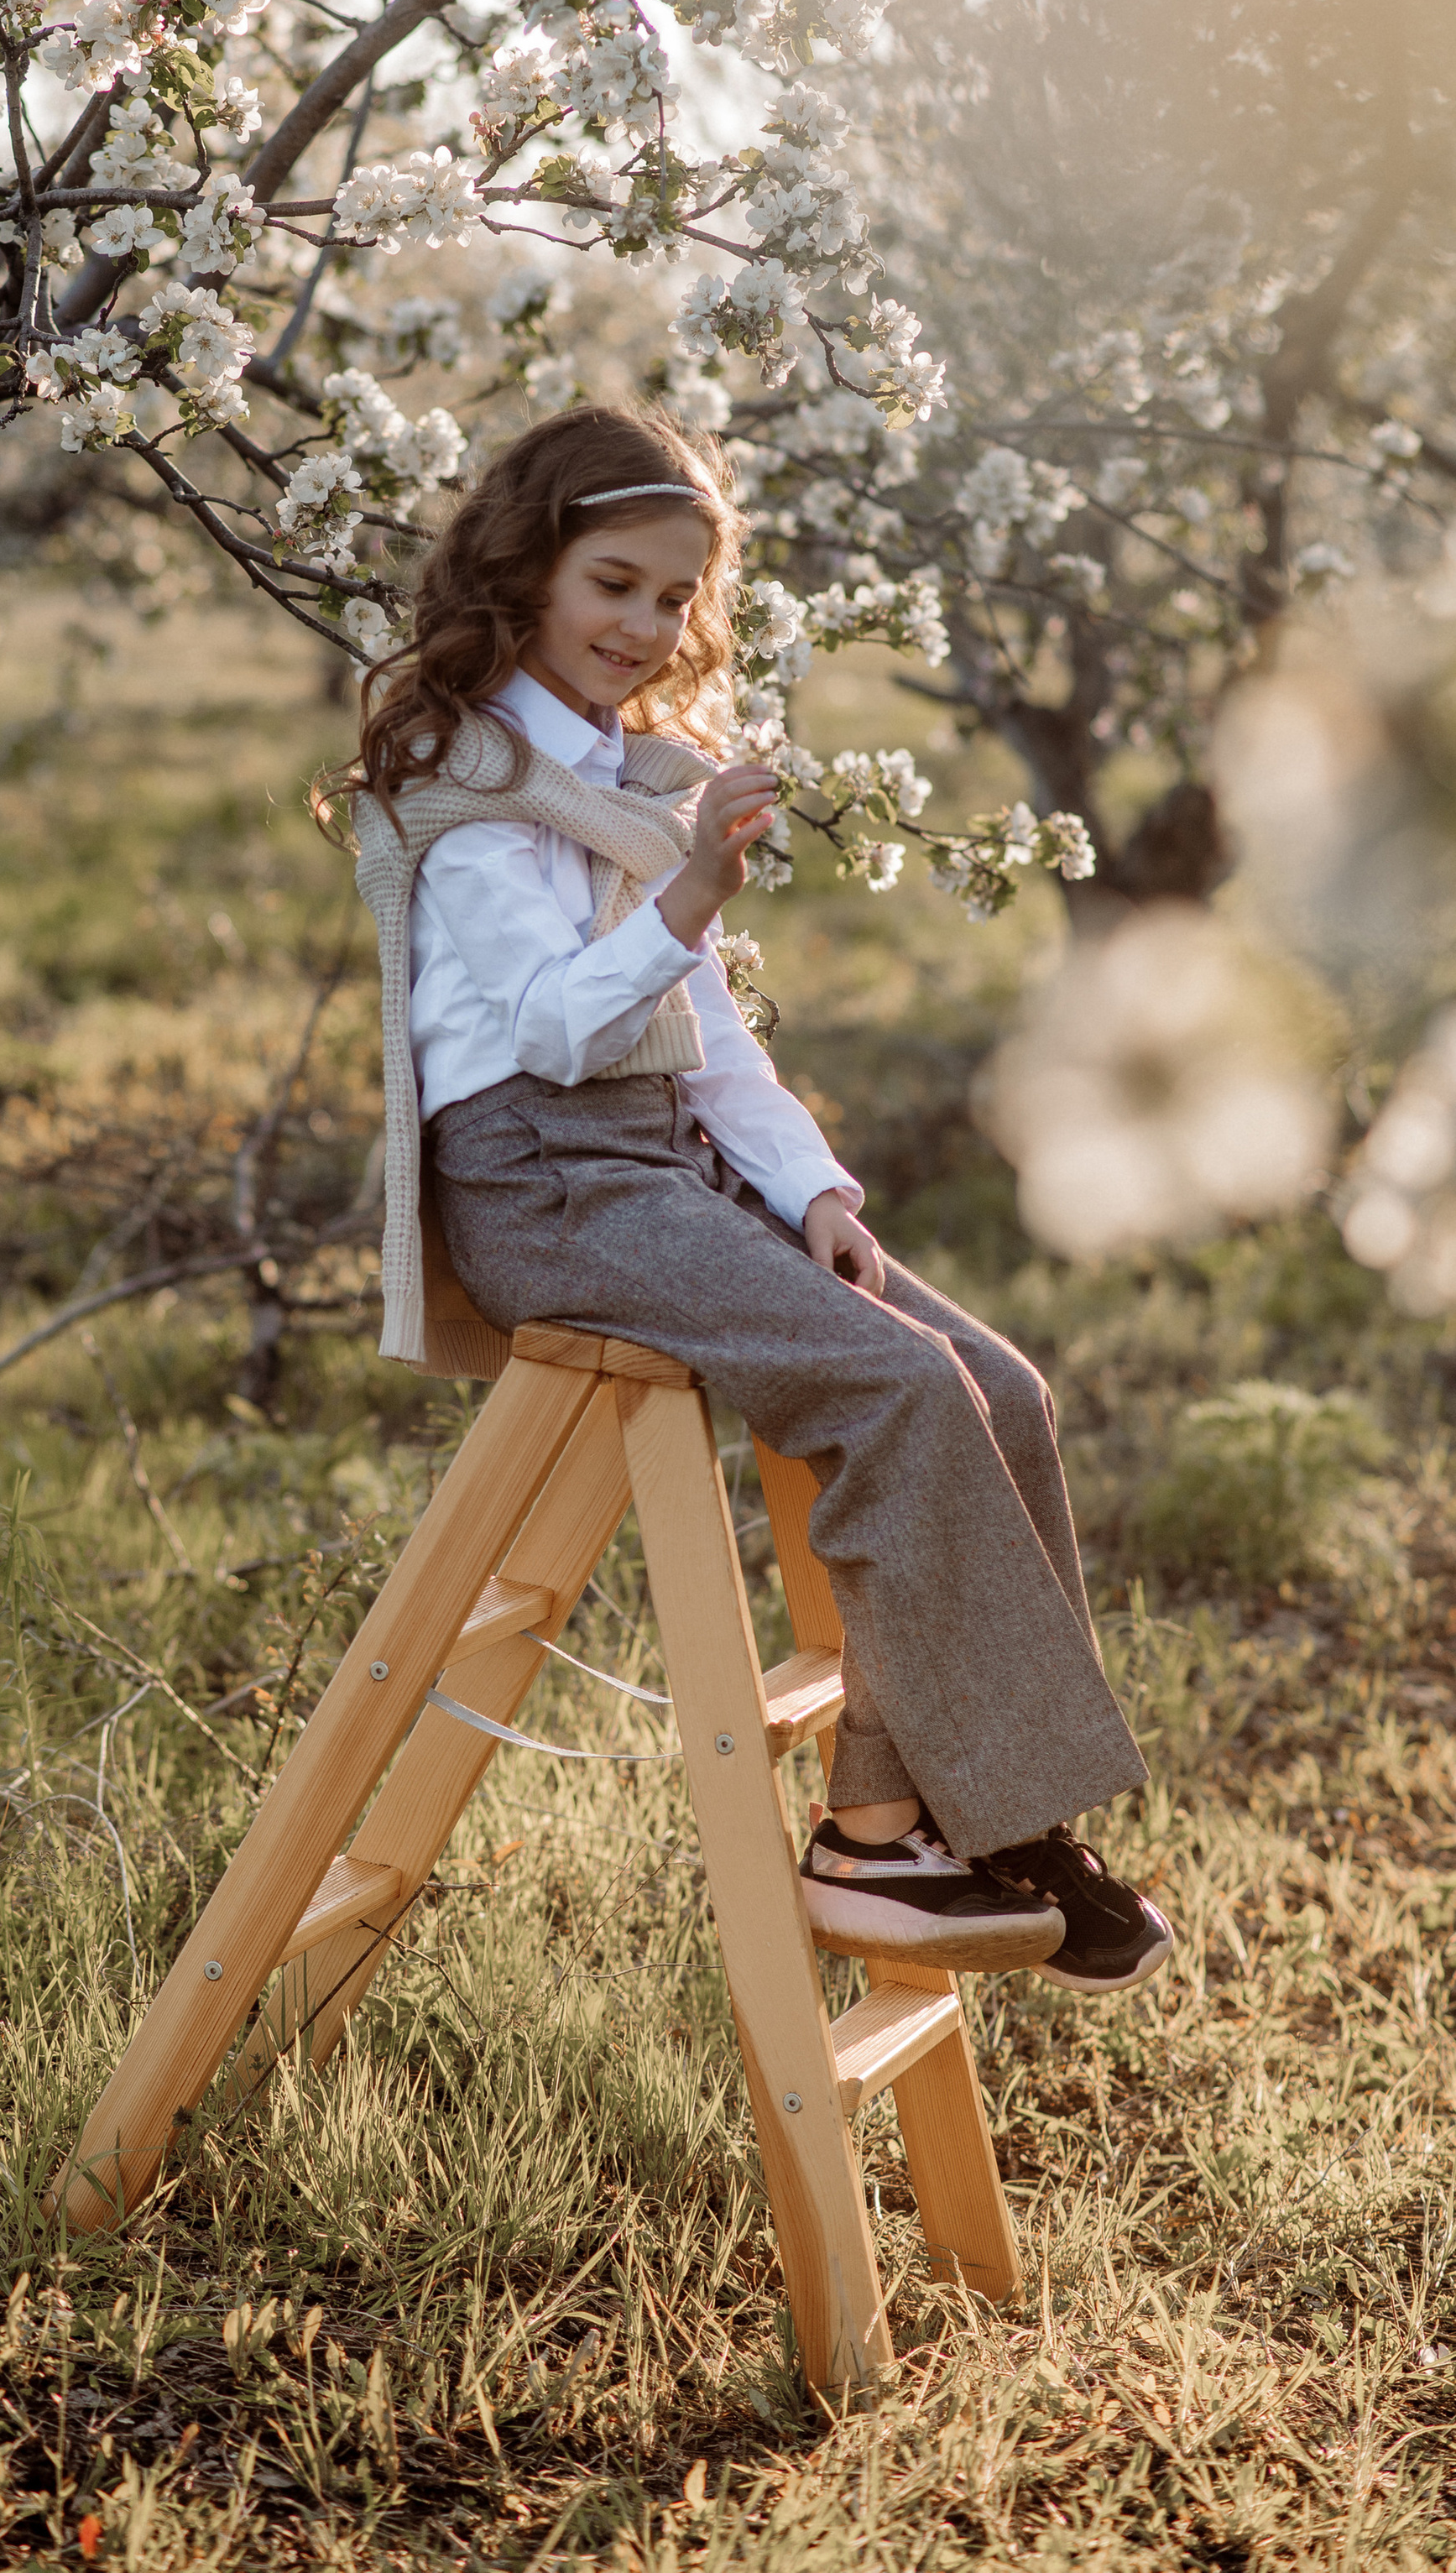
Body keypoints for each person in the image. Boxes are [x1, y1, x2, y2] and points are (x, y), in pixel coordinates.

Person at [336, 402, 1171, 1993]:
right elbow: (552, 1032)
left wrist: (814, 1192)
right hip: (541, 1183)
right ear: (528, 571)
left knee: (997, 1384)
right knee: (895, 1389)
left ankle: (972, 1815)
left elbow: (709, 1043)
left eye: (673, 600)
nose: (646, 629)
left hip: (668, 1164)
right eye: (616, 586)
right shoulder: (465, 779)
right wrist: (692, 889)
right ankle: (879, 1839)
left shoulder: (644, 772)